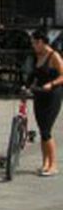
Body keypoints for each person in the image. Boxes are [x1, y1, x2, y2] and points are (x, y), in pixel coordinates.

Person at [30, 30, 63, 177]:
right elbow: (35, 75)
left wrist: (52, 84)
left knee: (46, 130)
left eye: (34, 43)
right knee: (41, 128)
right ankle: (45, 163)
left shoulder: (53, 55)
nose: (33, 46)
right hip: (39, 94)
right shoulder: (37, 56)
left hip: (53, 94)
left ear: (41, 42)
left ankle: (54, 165)